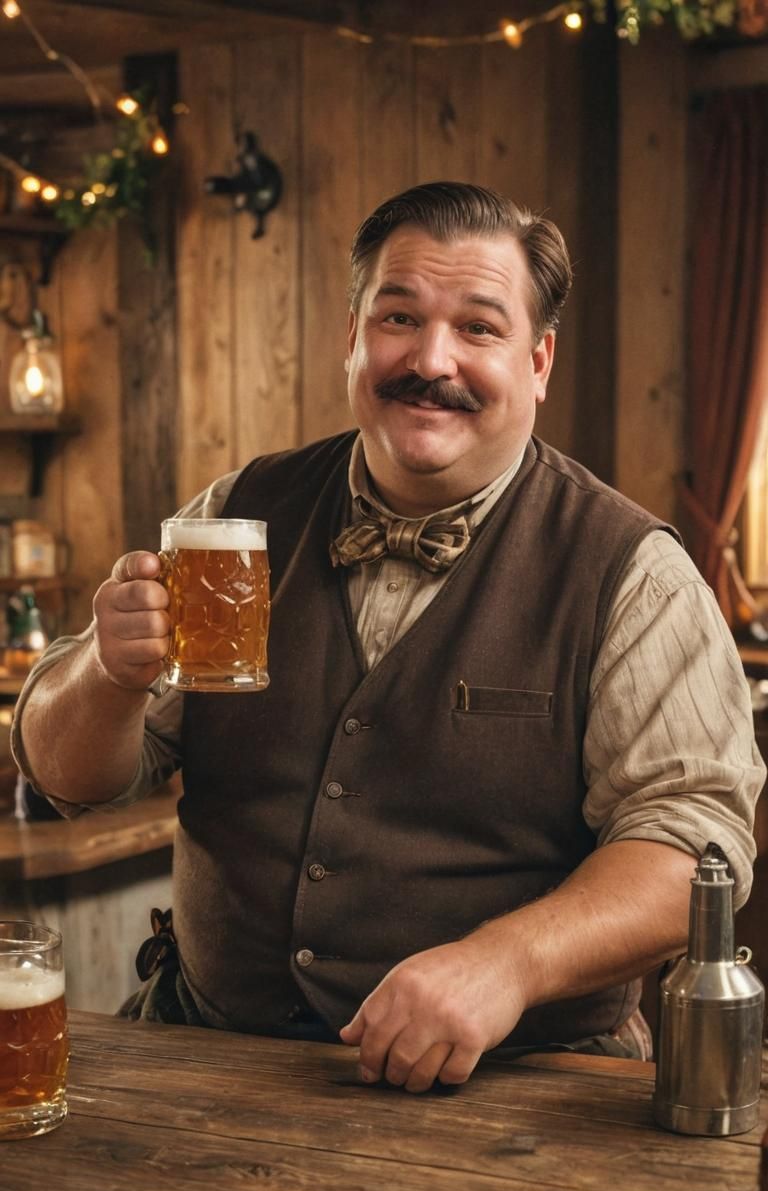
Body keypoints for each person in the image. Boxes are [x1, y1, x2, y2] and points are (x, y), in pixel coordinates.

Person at [12, 181, 765, 1093]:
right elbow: (68, 780)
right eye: (398, 316)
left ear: (538, 361)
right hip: (211, 1059)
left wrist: (505, 965)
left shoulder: (632, 573)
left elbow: (693, 848)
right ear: (353, 337)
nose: (431, 358)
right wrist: (105, 669)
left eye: (480, 328)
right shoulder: (233, 522)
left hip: (521, 1087)